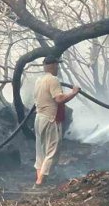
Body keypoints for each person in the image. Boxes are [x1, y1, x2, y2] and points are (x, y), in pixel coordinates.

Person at [33, 55, 80, 187]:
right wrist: (74, 92)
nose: (58, 68)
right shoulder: (53, 80)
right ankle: (40, 181)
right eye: (57, 65)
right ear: (52, 65)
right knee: (52, 150)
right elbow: (59, 99)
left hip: (39, 118)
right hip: (50, 119)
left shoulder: (39, 80)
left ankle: (39, 179)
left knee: (40, 151)